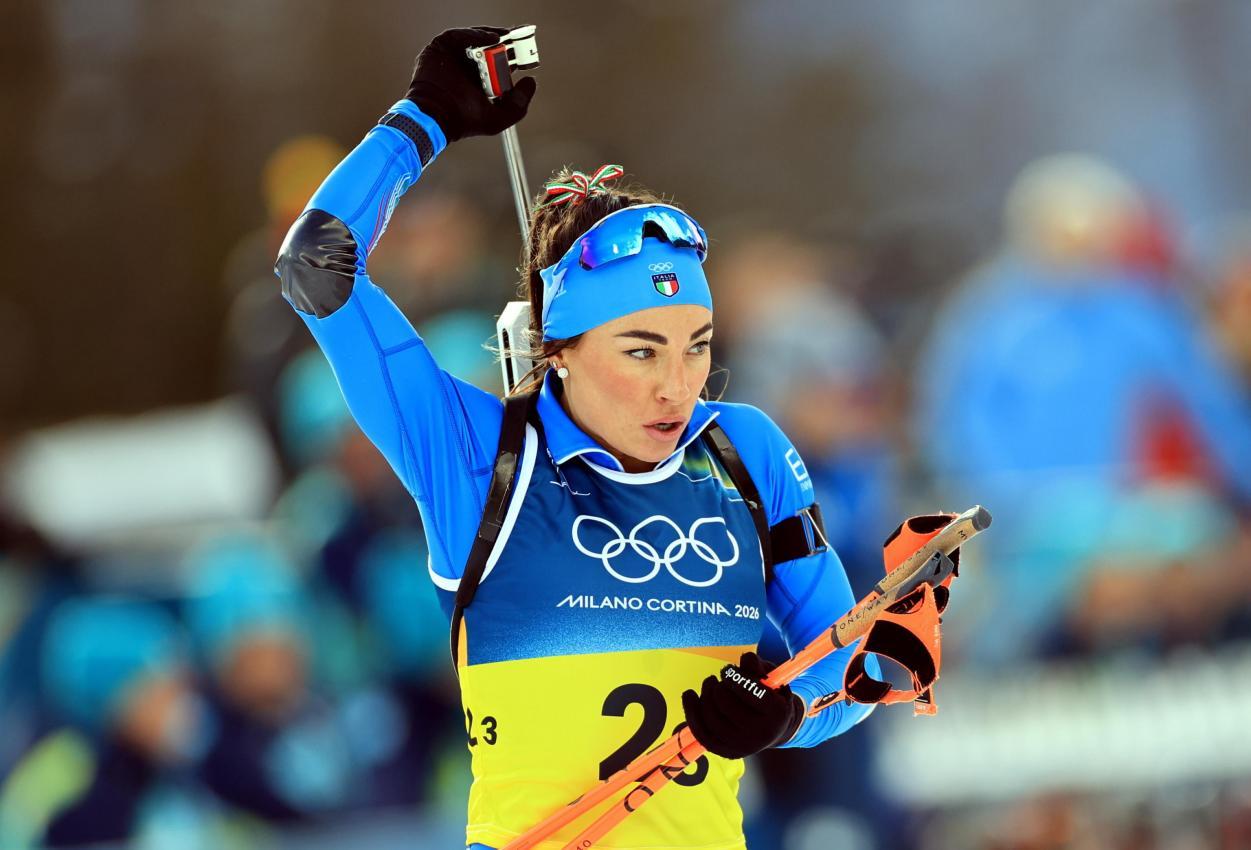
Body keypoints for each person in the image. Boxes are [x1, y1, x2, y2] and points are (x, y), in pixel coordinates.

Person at [275, 27, 888, 850]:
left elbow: (850, 670)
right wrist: (423, 120)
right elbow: (317, 262)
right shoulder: (477, 454)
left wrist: (782, 713)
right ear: (557, 347)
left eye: (696, 344)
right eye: (639, 350)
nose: (678, 384)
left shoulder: (741, 451)